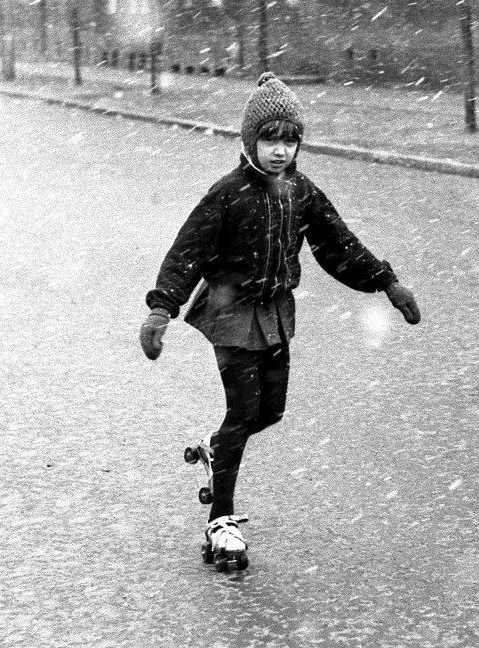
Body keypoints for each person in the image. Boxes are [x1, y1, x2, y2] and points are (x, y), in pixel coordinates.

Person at [139, 72, 421, 568]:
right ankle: (220, 524)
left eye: (290, 140)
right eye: (270, 139)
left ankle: (215, 448)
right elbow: (189, 250)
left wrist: (386, 282)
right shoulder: (227, 193)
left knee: (270, 412)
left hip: (274, 313)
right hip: (230, 314)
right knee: (244, 412)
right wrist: (162, 308)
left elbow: (338, 245)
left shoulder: (302, 192)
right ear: (250, 140)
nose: (280, 151)